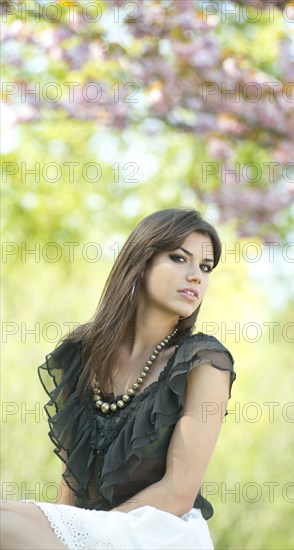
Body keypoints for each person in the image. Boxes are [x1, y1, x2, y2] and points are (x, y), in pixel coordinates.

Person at [1, 208, 236, 549]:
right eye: (179, 258)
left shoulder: (204, 363)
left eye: (205, 266)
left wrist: (87, 534)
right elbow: (70, 492)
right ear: (141, 262)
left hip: (158, 533)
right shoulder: (82, 356)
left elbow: (179, 492)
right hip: (91, 532)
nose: (196, 276)